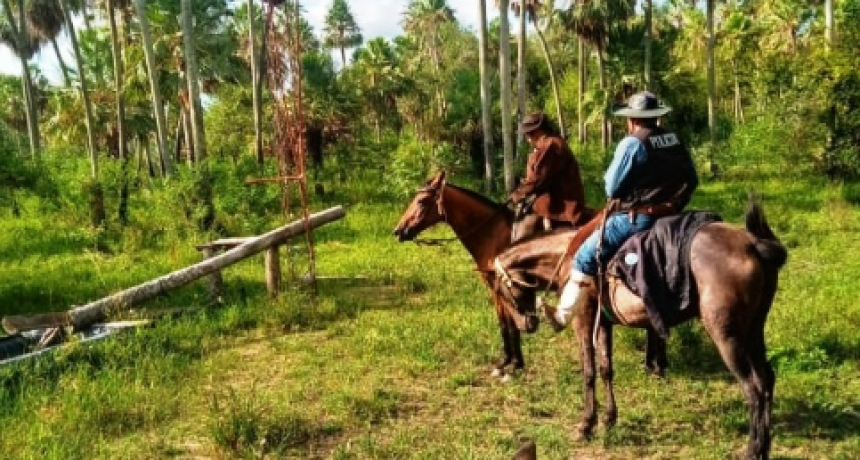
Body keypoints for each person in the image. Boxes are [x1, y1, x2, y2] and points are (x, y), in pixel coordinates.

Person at [543, 91, 699, 332]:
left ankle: (562, 316)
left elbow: (612, 187)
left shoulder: (633, 143)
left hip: (640, 218)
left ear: (632, 120)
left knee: (584, 256)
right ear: (656, 117)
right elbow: (692, 178)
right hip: (674, 216)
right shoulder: (674, 139)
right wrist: (675, 204)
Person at [508, 112, 589, 242]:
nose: (528, 138)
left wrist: (518, 193)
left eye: (531, 133)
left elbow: (539, 179)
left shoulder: (551, 145)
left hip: (561, 206)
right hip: (550, 202)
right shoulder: (544, 145)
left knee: (521, 238)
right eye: (527, 134)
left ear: (540, 130)